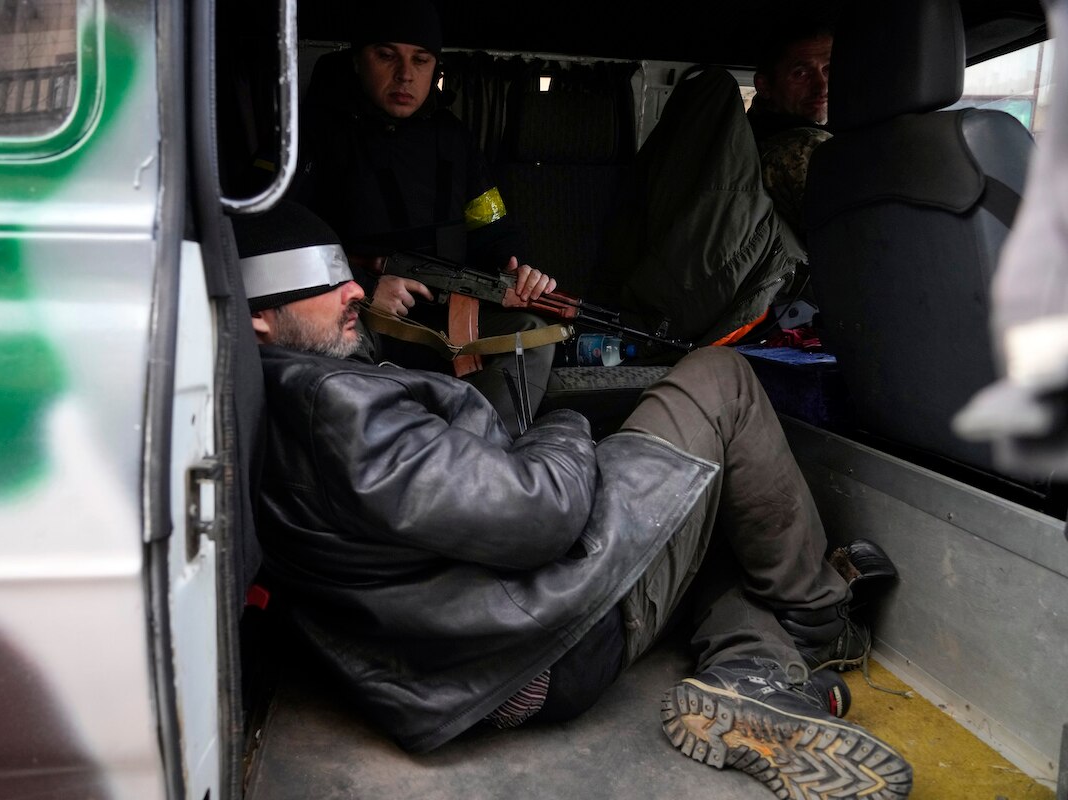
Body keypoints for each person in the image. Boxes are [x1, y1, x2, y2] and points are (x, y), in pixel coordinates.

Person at [237, 201, 913, 800]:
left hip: (472, 656)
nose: (354, 289)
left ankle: (753, 672)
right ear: (259, 318)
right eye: (321, 281)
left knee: (698, 503)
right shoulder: (331, 404)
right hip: (541, 643)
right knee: (721, 375)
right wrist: (564, 425)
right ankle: (820, 619)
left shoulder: (267, 398)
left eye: (345, 273)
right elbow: (541, 514)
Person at [288, 0, 557, 435]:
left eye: (421, 59)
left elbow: (491, 225)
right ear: (357, 60)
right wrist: (365, 285)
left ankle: (483, 452)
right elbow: (282, 244)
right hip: (354, 310)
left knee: (532, 332)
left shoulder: (453, 138)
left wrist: (518, 269)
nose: (405, 75)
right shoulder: (312, 135)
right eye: (386, 55)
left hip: (447, 311)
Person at [746, 16, 834, 237]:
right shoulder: (807, 147)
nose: (821, 87)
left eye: (828, 70)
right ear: (764, 87)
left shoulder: (752, 131)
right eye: (800, 74)